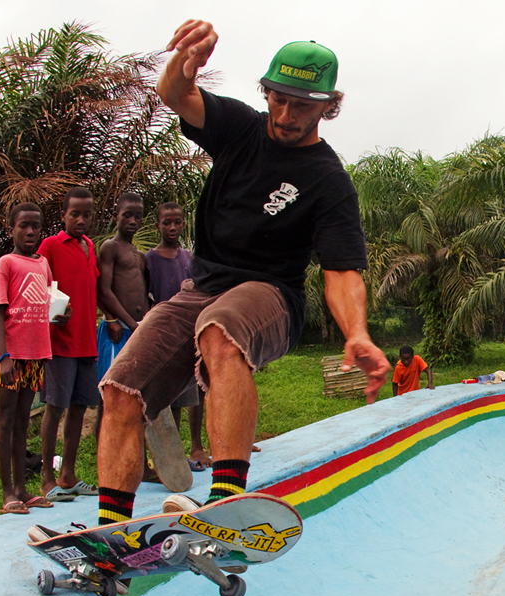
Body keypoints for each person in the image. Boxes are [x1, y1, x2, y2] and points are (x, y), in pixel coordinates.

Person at [95, 21, 390, 525]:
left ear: (328, 106)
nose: (286, 114)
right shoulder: (239, 128)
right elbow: (174, 93)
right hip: (201, 289)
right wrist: (185, 64)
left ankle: (227, 501)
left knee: (221, 330)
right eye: (278, 99)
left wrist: (356, 332)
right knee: (122, 389)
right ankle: (112, 534)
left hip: (271, 297)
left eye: (302, 105)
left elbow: (341, 271)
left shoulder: (328, 179)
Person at [0, 203, 57, 514]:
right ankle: (7, 494)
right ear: (12, 229)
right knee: (4, 421)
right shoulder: (6, 263)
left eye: (35, 226)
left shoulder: (43, 264)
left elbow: (49, 302)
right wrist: (4, 356)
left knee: (21, 422)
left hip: (35, 356)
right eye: (23, 226)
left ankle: (22, 489)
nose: (30, 232)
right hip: (11, 357)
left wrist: (60, 314)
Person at [36, 187, 101, 502]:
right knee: (55, 406)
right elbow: (37, 286)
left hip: (88, 342)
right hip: (60, 343)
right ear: (63, 215)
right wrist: (51, 315)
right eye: (74, 213)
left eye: (86, 214)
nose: (81, 219)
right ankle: (47, 479)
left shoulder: (89, 246)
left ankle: (69, 474)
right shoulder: (50, 245)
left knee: (78, 407)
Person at [145, 201, 211, 470]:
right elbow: (146, 297)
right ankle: (170, 456)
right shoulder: (149, 259)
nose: (172, 227)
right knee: (167, 396)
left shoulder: (188, 258)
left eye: (177, 222)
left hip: (190, 331)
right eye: (166, 222)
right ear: (158, 225)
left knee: (194, 391)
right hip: (163, 333)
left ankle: (196, 446)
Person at [96, 193, 148, 382]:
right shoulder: (110, 247)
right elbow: (103, 290)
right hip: (119, 327)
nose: (133, 220)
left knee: (134, 386)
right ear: (115, 215)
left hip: (138, 327)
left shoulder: (140, 255)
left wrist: (144, 323)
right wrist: (116, 321)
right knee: (111, 386)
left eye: (138, 216)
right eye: (127, 215)